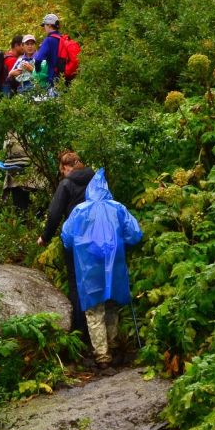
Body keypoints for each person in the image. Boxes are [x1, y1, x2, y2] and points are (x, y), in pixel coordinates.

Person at [61, 169, 143, 369]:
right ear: (106, 189)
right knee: (112, 304)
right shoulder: (117, 208)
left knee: (94, 309)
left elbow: (67, 238)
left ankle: (102, 355)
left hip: (89, 266)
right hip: (114, 262)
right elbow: (135, 234)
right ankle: (114, 345)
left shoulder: (80, 210)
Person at [39, 151, 95, 344]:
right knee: (97, 279)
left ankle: (81, 332)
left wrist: (45, 238)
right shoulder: (96, 179)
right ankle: (102, 333)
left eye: (62, 171)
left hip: (76, 239)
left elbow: (54, 214)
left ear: (65, 168)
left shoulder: (66, 184)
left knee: (77, 282)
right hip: (99, 236)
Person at [32, 14, 63, 88]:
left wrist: (38, 72)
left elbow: (38, 59)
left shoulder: (48, 40)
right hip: (64, 77)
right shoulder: (62, 38)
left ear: (49, 25)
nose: (44, 28)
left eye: (44, 25)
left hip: (53, 77)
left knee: (53, 99)